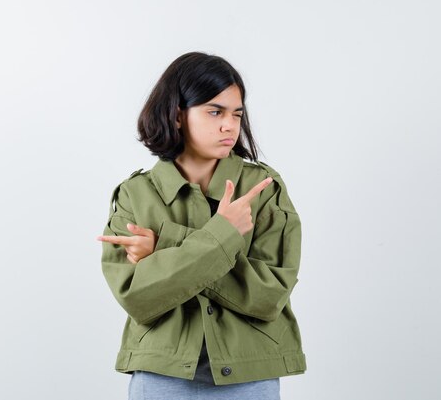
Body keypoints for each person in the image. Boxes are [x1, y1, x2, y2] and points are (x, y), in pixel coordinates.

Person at [96, 51, 306, 400]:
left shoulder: (263, 189)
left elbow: (269, 295)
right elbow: (139, 298)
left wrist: (164, 247)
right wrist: (222, 235)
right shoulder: (135, 195)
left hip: (250, 375)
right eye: (215, 111)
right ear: (178, 115)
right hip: (161, 376)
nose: (230, 125)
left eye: (236, 114)